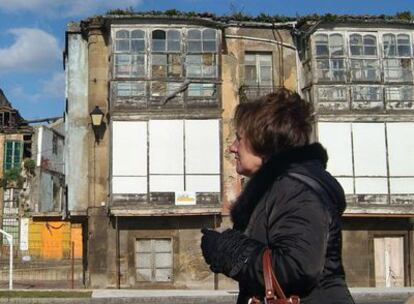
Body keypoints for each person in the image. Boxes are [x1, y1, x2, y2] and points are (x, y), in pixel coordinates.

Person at [201, 88, 355, 304]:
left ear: (263, 140)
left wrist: (227, 250)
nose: (232, 147)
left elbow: (298, 268)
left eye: (239, 138)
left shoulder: (296, 190)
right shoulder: (280, 187)